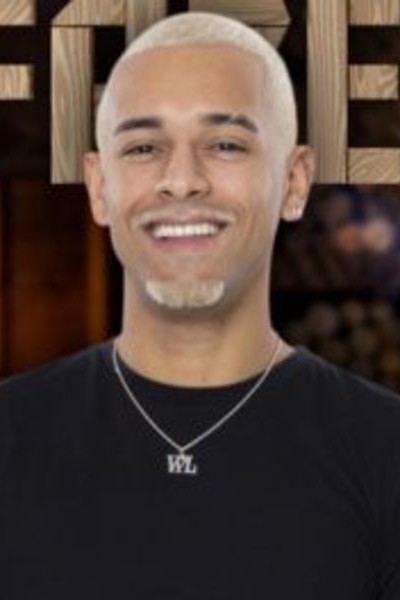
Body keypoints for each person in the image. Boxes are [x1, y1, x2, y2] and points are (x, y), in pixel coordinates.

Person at [0, 11, 400, 599]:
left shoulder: (386, 452)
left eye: (225, 144)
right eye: (143, 147)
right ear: (99, 187)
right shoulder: (9, 436)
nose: (182, 180)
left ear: (294, 182)